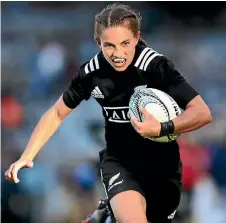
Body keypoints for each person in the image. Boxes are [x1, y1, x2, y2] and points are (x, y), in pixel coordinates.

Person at [5, 3, 212, 223]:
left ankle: (104, 215)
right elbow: (57, 113)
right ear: (98, 43)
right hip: (120, 164)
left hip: (162, 168)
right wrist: (27, 155)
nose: (118, 53)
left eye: (125, 44)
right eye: (109, 45)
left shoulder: (156, 67)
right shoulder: (92, 73)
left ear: (136, 37)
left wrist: (162, 127)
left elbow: (202, 112)